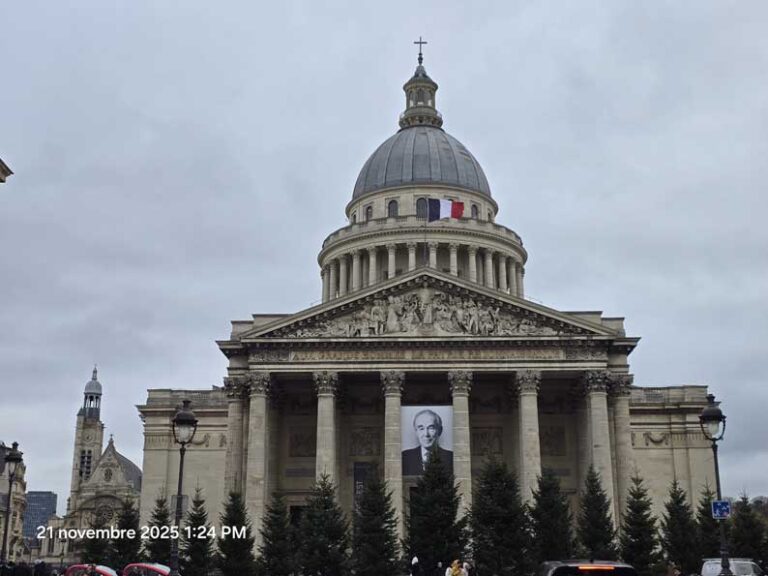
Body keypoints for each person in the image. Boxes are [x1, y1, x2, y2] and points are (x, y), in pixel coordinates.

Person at [402, 409, 453, 475]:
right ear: (416, 432)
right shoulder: (405, 457)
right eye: (421, 428)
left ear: (440, 431)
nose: (426, 434)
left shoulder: (451, 457)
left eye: (431, 428)